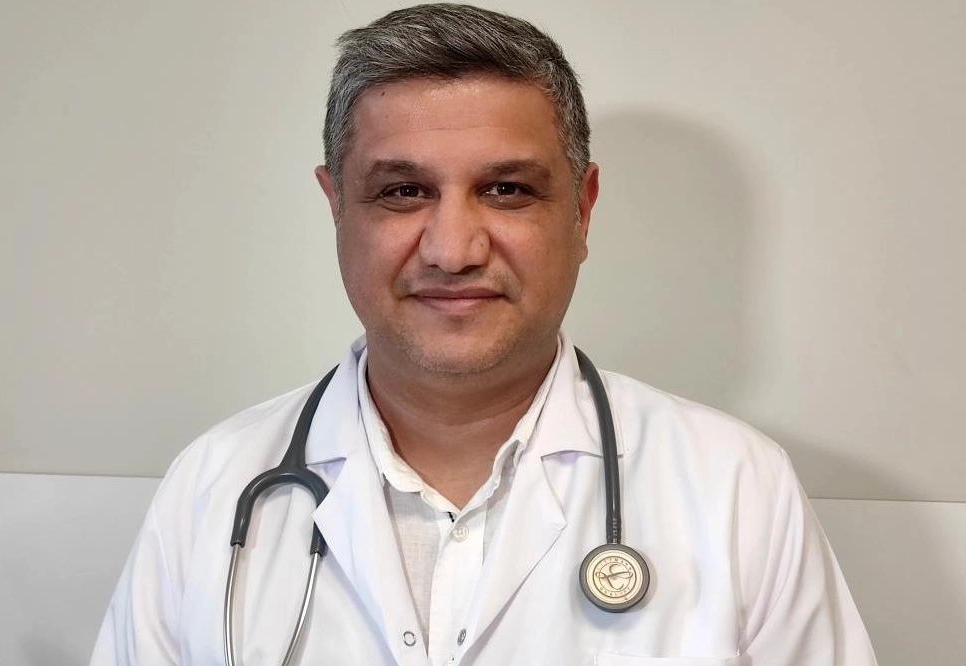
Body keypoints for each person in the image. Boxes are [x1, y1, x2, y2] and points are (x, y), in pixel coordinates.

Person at [90, 4, 877, 665]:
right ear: (336, 207)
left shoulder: (735, 488)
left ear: (582, 210)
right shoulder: (213, 487)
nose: (453, 249)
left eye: (506, 189)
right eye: (403, 191)